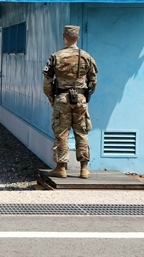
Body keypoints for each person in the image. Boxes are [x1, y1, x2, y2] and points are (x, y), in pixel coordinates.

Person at [42, 25, 97, 179]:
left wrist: (51, 97)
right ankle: (84, 169)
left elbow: (47, 80)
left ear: (64, 38)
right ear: (77, 38)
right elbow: (93, 81)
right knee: (82, 131)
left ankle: (61, 167)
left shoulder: (56, 57)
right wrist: (85, 96)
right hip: (80, 99)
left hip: (62, 99)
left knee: (61, 132)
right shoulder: (86, 57)